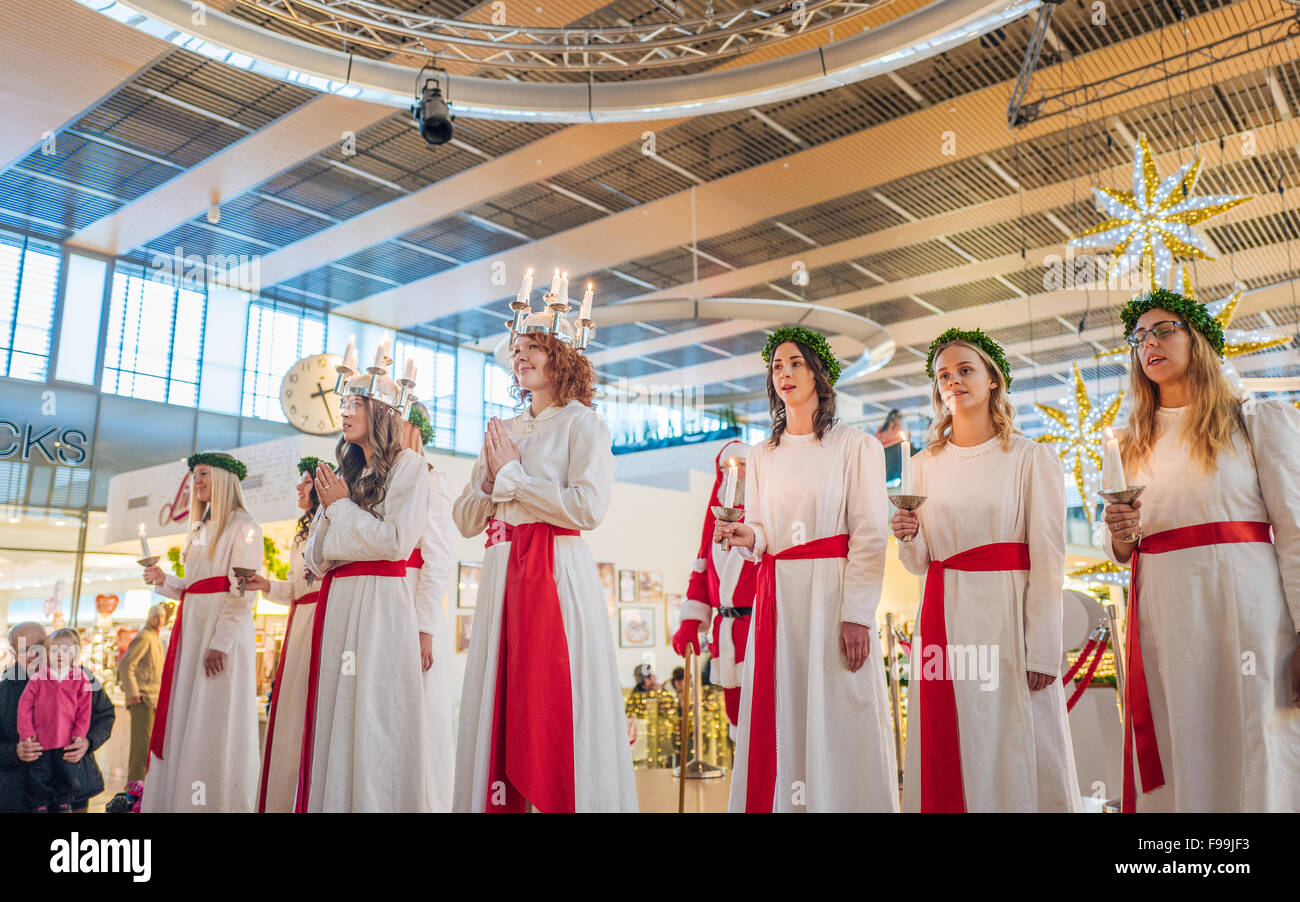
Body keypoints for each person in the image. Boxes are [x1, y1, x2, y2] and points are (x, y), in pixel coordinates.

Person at [1101, 288, 1300, 812]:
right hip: (1166, 616)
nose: (1149, 343)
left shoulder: (1253, 421)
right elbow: (1121, 549)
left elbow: (1296, 533)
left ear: (1200, 340)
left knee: (1255, 734)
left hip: (1246, 611)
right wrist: (1119, 530)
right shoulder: (1129, 443)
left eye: (1164, 329)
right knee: (1182, 736)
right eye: (1139, 336)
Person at [451, 316, 637, 813]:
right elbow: (465, 518)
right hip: (500, 570)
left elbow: (588, 508)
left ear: (563, 357)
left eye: (535, 347)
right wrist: (490, 483)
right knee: (499, 692)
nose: (522, 357)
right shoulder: (501, 430)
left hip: (555, 571)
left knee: (554, 696)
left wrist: (512, 475)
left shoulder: (582, 423)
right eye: (517, 350)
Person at [890, 327, 1080, 812]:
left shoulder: (1029, 458)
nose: (952, 382)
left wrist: (1043, 647)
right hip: (944, 613)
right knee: (952, 736)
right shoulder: (922, 464)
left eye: (964, 370)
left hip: (1008, 614)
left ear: (993, 379)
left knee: (1018, 736)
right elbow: (919, 563)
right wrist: (908, 534)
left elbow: (1048, 561)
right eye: (943, 375)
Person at [715, 326, 897, 812]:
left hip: (832, 595)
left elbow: (870, 533)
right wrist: (745, 536)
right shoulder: (762, 455)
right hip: (779, 601)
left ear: (819, 373)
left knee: (839, 711)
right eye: (777, 366)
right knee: (786, 711)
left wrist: (857, 613)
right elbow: (762, 529)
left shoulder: (856, 446)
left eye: (795, 363)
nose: (785, 373)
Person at [300, 359, 432, 812]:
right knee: (339, 714)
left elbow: (395, 543)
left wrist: (340, 514)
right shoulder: (346, 472)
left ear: (380, 410)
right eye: (343, 401)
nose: (345, 409)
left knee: (375, 716)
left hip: (379, 604)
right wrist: (337, 515)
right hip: (339, 602)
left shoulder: (411, 467)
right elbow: (315, 560)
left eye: (355, 401)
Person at [142, 452, 261, 812]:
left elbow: (243, 591)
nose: (197, 482)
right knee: (188, 711)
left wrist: (221, 642)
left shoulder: (244, 526)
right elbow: (196, 586)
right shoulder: (199, 529)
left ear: (224, 478)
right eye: (194, 476)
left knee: (213, 715)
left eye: (203, 474)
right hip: (192, 630)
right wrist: (166, 582)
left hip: (218, 635)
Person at [244, 458, 325, 812]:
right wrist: (266, 585)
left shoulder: (332, 523)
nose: (298, 487)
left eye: (305, 481)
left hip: (322, 617)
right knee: (291, 703)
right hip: (300, 619)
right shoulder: (301, 531)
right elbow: (296, 587)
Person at [672, 440, 758, 727]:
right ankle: (740, 772)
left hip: (758, 631)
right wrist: (691, 622)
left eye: (742, 466)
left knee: (764, 718)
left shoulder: (767, 518)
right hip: (725, 637)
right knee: (735, 718)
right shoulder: (713, 531)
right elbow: (701, 575)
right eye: (726, 469)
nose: (735, 474)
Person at [401, 401, 457, 813]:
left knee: (424, 713)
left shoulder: (433, 482)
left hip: (414, 598)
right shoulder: (392, 479)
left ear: (415, 431)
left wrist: (425, 628)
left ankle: (431, 802)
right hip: (390, 598)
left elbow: (438, 559)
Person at [1, 622, 116, 813]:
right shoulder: (6, 688)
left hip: (73, 787)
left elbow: (105, 714)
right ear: (14, 655)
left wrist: (88, 742)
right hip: (23, 793)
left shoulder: (81, 676)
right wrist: (15, 751)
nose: (33, 655)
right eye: (24, 650)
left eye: (38, 646)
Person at [16, 629, 92, 812]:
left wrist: (80, 734)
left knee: (66, 774)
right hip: (40, 741)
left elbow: (85, 711)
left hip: (67, 742)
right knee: (39, 774)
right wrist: (26, 732)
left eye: (66, 650)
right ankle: (40, 804)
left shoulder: (80, 678)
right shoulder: (39, 677)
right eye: (55, 650)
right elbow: (24, 706)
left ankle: (63, 802)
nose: (60, 655)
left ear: (75, 653)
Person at [118, 605, 165, 786]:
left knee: (146, 748)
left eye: (162, 617)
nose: (160, 620)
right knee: (141, 747)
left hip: (152, 699)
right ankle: (134, 789)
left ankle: (139, 787)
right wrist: (133, 693)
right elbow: (125, 665)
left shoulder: (153, 637)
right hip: (143, 700)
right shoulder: (145, 637)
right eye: (157, 616)